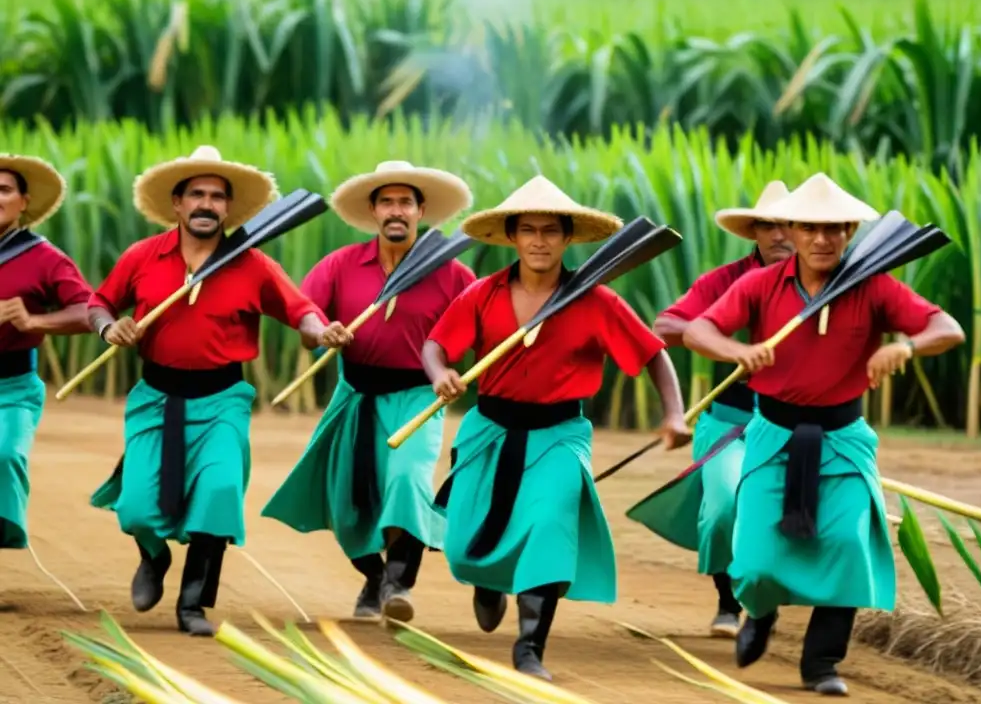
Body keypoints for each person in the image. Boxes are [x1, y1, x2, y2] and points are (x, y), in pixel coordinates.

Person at [683, 173, 965, 695]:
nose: (822, 239)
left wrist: (908, 347)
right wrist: (737, 352)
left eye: (835, 229)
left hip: (844, 437)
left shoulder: (874, 285)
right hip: (771, 435)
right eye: (811, 228)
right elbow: (699, 329)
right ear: (792, 228)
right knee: (754, 560)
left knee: (847, 544)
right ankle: (760, 612)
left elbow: (947, 328)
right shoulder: (759, 285)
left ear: (850, 231)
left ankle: (821, 663)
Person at [418, 175, 691, 681]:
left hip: (560, 434)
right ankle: (488, 580)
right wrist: (441, 374)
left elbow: (654, 355)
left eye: (550, 231)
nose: (539, 241)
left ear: (567, 239)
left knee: (551, 524)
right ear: (513, 237)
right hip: (489, 429)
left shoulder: (596, 300)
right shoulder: (482, 295)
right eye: (528, 231)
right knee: (460, 547)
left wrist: (674, 414)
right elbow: (434, 346)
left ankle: (529, 647)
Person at [86, 146, 348, 636]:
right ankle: (153, 555)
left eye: (217, 197)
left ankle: (193, 603)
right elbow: (98, 302)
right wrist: (108, 327)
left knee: (220, 491)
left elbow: (302, 312)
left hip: (223, 399)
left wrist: (321, 330)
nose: (206, 204)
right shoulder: (142, 257)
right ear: (177, 204)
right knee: (139, 507)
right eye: (197, 195)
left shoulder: (253, 265)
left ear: (229, 208)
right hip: (156, 398)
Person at [262, 160, 475, 622]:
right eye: (387, 202)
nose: (396, 211)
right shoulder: (340, 265)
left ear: (421, 211)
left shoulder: (454, 274)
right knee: (346, 501)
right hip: (355, 394)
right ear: (374, 211)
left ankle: (399, 581)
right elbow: (306, 323)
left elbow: (484, 323)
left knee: (407, 479)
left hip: (419, 396)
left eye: (405, 202)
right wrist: (323, 334)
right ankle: (374, 577)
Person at [631, 181, 794, 639]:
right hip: (729, 421)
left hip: (795, 424)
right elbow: (666, 325)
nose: (779, 233)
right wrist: (732, 350)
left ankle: (765, 601)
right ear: (754, 233)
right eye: (768, 225)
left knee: (782, 515)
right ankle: (727, 602)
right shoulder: (727, 280)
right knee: (723, 505)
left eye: (788, 223)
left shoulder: (821, 281)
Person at [0, 155, 93, 556]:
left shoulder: (44, 257)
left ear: (24, 201)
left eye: (4, 190)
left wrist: (36, 322)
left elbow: (91, 311)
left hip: (13, 387)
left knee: (4, 457)